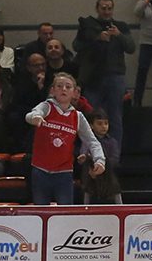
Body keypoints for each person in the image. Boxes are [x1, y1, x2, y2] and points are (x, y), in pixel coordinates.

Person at [25, 72, 105, 206]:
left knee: (65, 212)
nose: (63, 89)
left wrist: (100, 160)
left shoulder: (77, 116)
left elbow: (92, 141)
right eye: (59, 86)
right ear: (52, 90)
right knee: (40, 212)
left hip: (64, 173)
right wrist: (35, 118)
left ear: (74, 93)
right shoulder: (46, 107)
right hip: (41, 171)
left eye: (68, 87)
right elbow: (31, 114)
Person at [74, 0, 135, 148]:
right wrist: (96, 38)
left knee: (115, 117)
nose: (107, 11)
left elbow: (131, 48)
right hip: (93, 77)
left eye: (109, 8)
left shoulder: (121, 26)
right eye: (103, 8)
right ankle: (91, 153)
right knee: (91, 117)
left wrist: (118, 35)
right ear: (97, 9)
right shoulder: (88, 25)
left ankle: (113, 156)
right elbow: (76, 45)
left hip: (115, 75)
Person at [80, 109, 122, 204]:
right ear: (91, 126)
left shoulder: (112, 142)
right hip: (91, 174)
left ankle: (119, 208)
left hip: (108, 174)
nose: (103, 126)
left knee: (114, 184)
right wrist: (83, 158)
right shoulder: (87, 141)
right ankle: (85, 208)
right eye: (99, 124)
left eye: (106, 123)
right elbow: (84, 153)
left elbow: (115, 160)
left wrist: (102, 167)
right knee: (88, 178)